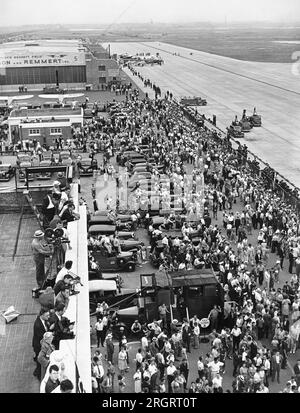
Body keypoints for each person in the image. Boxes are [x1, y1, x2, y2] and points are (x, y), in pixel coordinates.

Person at [32, 309, 50, 380]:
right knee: (39, 362)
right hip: (38, 345)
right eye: (47, 315)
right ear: (42, 315)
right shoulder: (38, 325)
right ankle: (39, 375)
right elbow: (41, 337)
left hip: (40, 343)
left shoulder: (43, 320)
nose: (48, 317)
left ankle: (37, 372)